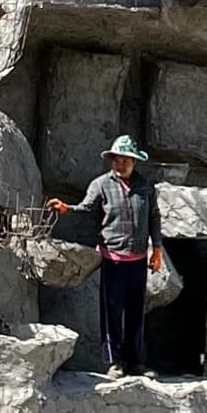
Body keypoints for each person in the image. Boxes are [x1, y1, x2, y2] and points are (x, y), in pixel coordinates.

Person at [45, 134, 164, 378]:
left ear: (134, 162)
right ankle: (115, 362)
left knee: (135, 313)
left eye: (126, 160)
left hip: (139, 260)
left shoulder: (145, 186)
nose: (121, 164)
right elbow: (87, 208)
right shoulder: (101, 184)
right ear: (111, 161)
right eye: (117, 160)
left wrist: (157, 250)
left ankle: (136, 362)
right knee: (112, 313)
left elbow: (154, 217)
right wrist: (67, 209)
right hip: (113, 260)